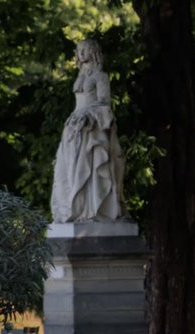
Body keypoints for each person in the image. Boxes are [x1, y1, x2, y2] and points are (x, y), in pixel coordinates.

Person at [50, 39, 128, 223]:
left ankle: (93, 209)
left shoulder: (101, 77)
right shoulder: (80, 77)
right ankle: (76, 210)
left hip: (92, 126)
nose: (81, 52)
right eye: (79, 49)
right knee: (69, 167)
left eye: (84, 49)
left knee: (90, 166)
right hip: (75, 126)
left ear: (93, 51)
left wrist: (90, 117)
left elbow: (104, 103)